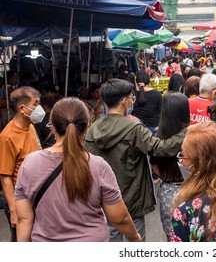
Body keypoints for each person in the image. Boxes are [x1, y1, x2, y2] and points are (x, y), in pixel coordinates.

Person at [14, 97, 141, 242]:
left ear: (53, 127)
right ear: (87, 128)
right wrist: (135, 238)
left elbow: (24, 219)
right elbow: (120, 219)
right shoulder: (98, 166)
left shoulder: (29, 163)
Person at [84, 78, 186, 242]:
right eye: (132, 97)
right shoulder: (133, 128)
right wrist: (185, 133)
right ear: (124, 101)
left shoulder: (93, 129)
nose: (133, 101)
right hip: (132, 199)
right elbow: (160, 148)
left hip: (105, 199)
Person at [0, 86, 44, 241]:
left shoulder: (31, 126)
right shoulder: (8, 136)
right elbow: (5, 177)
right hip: (21, 200)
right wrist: (13, 210)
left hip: (36, 195)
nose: (39, 108)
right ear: (22, 108)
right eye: (35, 104)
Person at [151, 92, 190, 241]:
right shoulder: (193, 135)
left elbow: (155, 167)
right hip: (193, 189)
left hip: (168, 191)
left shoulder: (156, 136)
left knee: (172, 237)